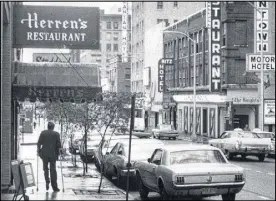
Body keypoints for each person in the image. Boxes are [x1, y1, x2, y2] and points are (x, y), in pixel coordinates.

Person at [37, 122, 61, 192]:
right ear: (53, 127)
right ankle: (54, 187)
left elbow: (39, 143)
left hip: (44, 154)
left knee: (45, 169)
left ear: (48, 127)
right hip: (53, 154)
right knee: (53, 170)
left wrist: (38, 151)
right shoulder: (56, 134)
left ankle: (47, 181)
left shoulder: (43, 133)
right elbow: (59, 145)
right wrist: (59, 152)